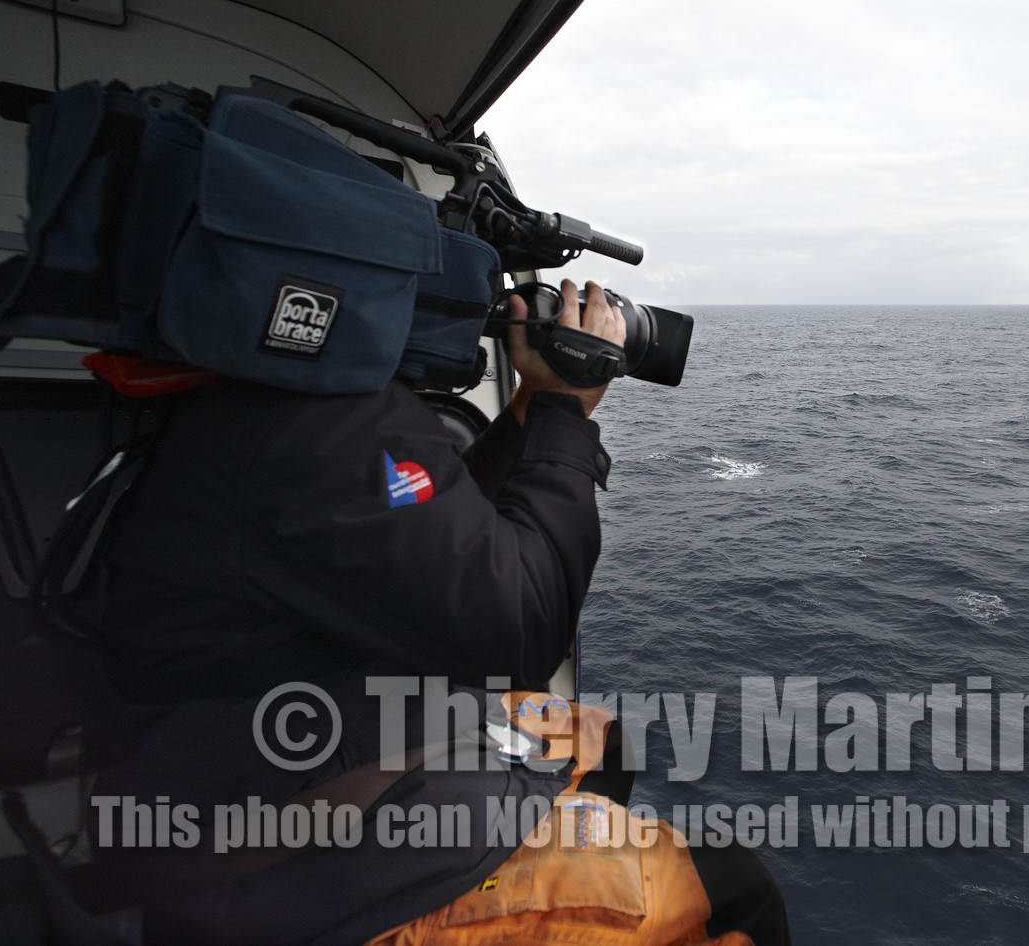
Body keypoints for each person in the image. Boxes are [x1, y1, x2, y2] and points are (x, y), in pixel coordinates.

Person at [89, 281, 788, 945]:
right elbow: (524, 631)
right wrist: (566, 415)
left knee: (603, 742)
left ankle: (562, 841)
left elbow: (441, 541)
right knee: (730, 888)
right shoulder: (326, 425)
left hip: (306, 748)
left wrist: (532, 407)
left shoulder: (285, 405)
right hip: (300, 851)